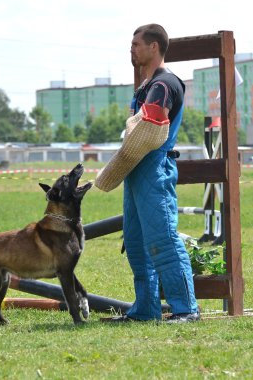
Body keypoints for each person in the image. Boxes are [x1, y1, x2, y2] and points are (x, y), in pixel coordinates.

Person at [102, 24, 200, 323]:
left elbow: (150, 126)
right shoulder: (148, 86)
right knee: (135, 243)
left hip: (154, 168)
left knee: (163, 240)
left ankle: (186, 309)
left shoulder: (164, 84)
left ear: (154, 47)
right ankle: (146, 310)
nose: (131, 49)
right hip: (136, 169)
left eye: (136, 44)